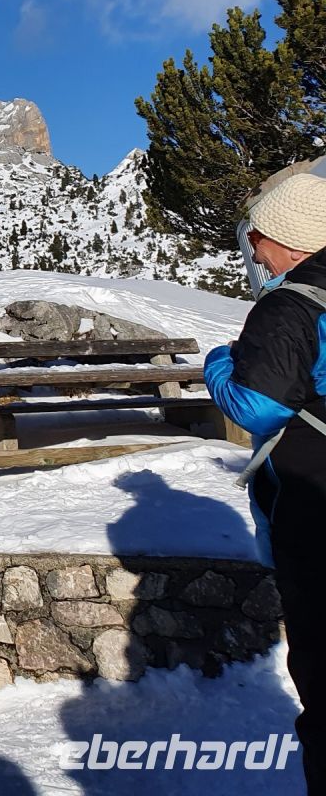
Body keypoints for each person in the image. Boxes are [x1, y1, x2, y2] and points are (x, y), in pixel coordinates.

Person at [206, 173, 326, 793]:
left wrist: (220, 364)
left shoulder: (290, 305)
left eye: (258, 235)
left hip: (314, 504)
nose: (252, 247)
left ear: (292, 240)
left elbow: (258, 407)